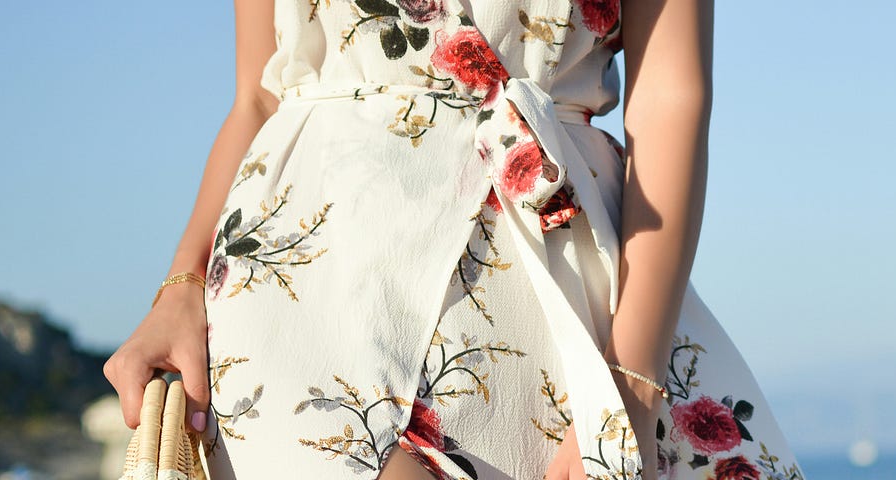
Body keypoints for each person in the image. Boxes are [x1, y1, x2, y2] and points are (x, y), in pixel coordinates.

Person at [102, 0, 807, 479]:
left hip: (550, 304)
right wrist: (182, 282)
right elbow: (258, 94)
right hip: (302, 286)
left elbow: (671, 98)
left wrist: (631, 386)